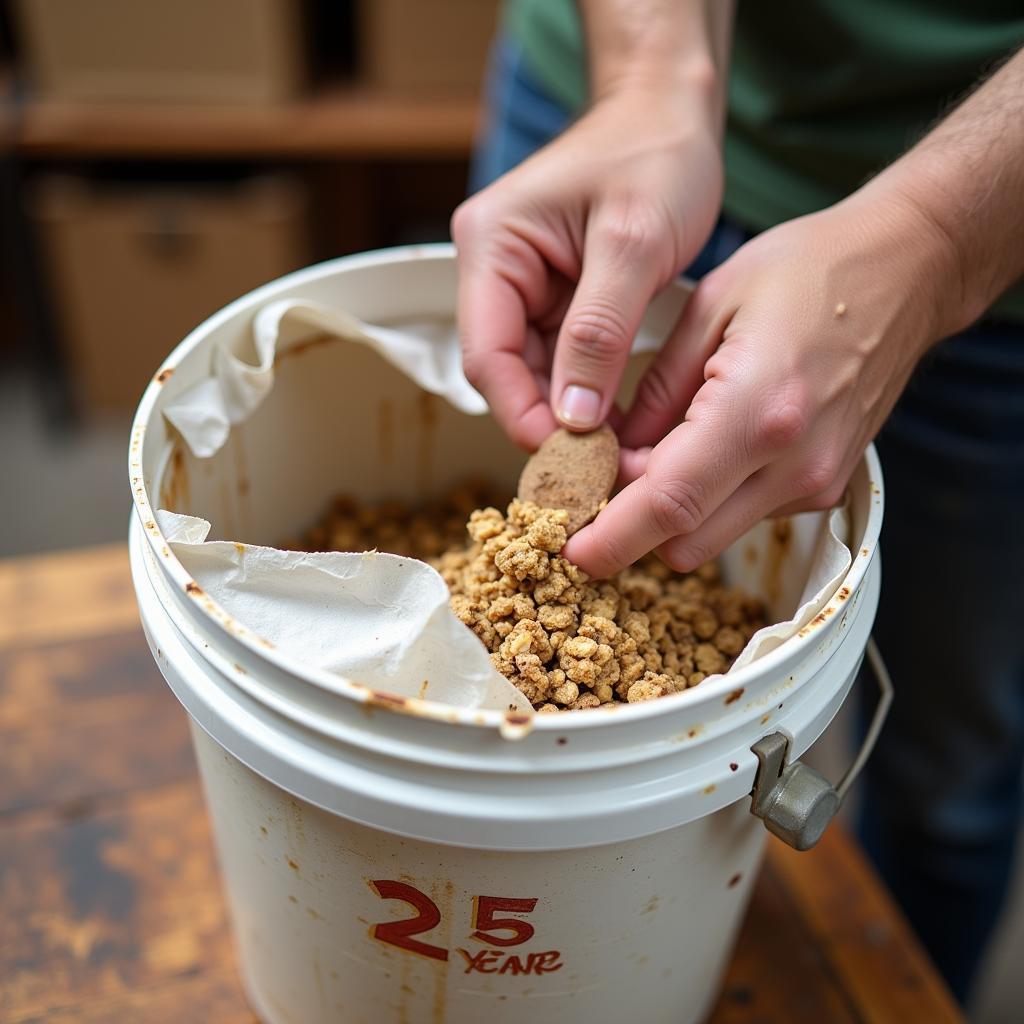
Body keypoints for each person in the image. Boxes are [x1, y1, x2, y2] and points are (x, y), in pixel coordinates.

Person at [452, 0, 1024, 1005]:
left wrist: (937, 237)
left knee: (949, 778)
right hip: (606, 112)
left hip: (996, 209)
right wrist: (651, 82)